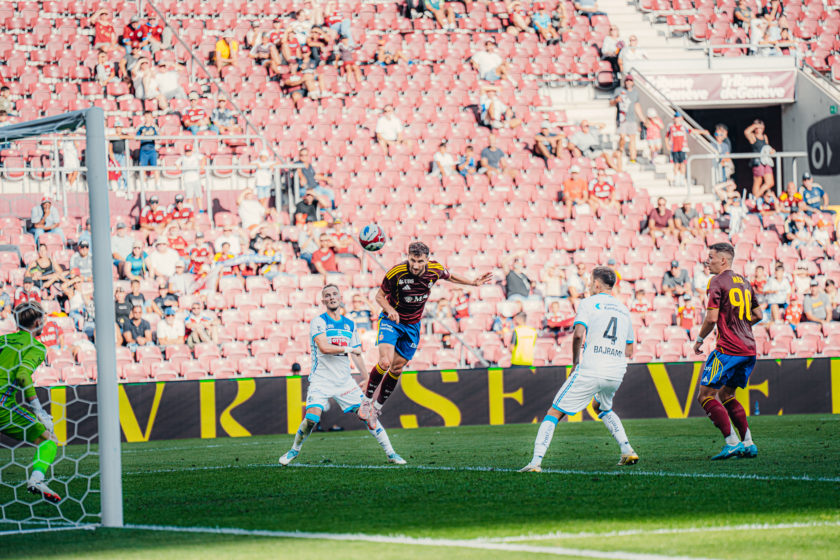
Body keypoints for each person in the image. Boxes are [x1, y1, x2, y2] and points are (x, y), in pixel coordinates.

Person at [358, 242, 492, 428]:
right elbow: (379, 296)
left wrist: (473, 282)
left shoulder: (435, 269)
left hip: (412, 326)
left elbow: (450, 276)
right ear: (408, 257)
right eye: (412, 260)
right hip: (392, 321)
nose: (415, 265)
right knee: (385, 362)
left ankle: (376, 409)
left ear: (427, 259)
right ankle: (366, 401)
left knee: (396, 369)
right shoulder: (395, 272)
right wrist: (389, 309)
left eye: (420, 261)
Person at [520, 266, 638, 472]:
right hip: (617, 370)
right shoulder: (623, 309)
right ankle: (627, 450)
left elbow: (577, 334)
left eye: (591, 282)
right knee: (601, 407)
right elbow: (629, 349)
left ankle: (535, 462)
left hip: (592, 367)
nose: (589, 285)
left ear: (597, 284)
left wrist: (576, 361)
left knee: (554, 412)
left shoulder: (588, 303)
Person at [278, 284, 406, 466]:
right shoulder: (318, 322)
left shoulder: (350, 324)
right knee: (312, 418)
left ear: (340, 298)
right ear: (323, 300)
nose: (331, 297)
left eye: (334, 294)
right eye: (327, 295)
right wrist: (348, 349)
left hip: (345, 381)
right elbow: (324, 347)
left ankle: (391, 453)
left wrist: (367, 377)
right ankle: (294, 450)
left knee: (369, 416)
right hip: (321, 379)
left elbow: (358, 353)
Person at [693, 243, 761, 460]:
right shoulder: (745, 282)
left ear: (723, 260)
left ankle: (732, 442)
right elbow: (758, 314)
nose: (707, 261)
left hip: (727, 349)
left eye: (710, 257)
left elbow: (712, 319)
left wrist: (700, 339)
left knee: (705, 395)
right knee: (727, 394)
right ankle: (748, 442)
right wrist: (740, 325)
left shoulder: (716, 281)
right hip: (749, 349)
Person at [0, 302, 62, 503]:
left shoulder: (3, 340)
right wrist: (40, 411)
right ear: (37, 322)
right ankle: (36, 480)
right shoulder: (36, 347)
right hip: (2, 406)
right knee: (49, 440)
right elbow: (23, 375)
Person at [610, 76, 642, 167]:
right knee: (622, 137)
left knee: (633, 139)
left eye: (630, 80)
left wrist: (642, 119)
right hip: (622, 118)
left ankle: (633, 158)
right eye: (627, 80)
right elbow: (611, 102)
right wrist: (616, 100)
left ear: (633, 82)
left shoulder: (635, 93)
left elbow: (637, 106)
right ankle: (620, 150)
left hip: (632, 119)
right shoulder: (618, 90)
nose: (628, 82)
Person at [744, 119, 775, 198]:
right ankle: (756, 198)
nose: (759, 129)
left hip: (766, 161)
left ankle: (755, 197)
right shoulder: (753, 137)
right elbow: (746, 132)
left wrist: (771, 150)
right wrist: (755, 125)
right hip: (757, 161)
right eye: (757, 128)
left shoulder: (765, 137)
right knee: (758, 181)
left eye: (760, 128)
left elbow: (767, 147)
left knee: (770, 182)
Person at [177, 144, 205, 212]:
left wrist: (202, 165)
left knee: (198, 196)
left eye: (189, 151)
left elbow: (204, 158)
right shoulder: (183, 157)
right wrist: (178, 166)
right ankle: (190, 211)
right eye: (186, 151)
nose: (188, 153)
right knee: (189, 197)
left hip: (196, 178)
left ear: (192, 150)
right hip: (187, 180)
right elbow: (176, 163)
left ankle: (201, 210)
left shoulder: (195, 155)